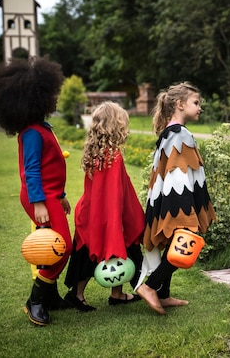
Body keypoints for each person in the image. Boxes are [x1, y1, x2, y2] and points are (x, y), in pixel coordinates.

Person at [0, 57, 73, 326]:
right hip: (40, 198)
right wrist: (39, 203)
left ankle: (50, 297)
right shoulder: (32, 133)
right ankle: (34, 301)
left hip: (50, 196)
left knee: (51, 246)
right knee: (61, 247)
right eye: (52, 94)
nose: (56, 98)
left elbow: (52, 168)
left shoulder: (41, 128)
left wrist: (61, 196)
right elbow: (31, 171)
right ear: (37, 98)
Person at [135, 82, 218, 315]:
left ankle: (163, 293)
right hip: (177, 200)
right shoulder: (178, 134)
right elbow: (176, 175)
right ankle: (150, 287)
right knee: (183, 241)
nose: (199, 107)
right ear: (180, 104)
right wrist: (183, 206)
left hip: (171, 198)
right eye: (196, 103)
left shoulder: (171, 132)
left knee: (173, 240)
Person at [63, 102, 144, 311]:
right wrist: (114, 223)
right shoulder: (113, 157)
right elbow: (112, 193)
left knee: (116, 250)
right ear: (115, 126)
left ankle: (116, 294)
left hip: (94, 213)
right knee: (91, 256)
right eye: (123, 124)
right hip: (103, 215)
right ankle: (77, 295)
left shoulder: (97, 153)